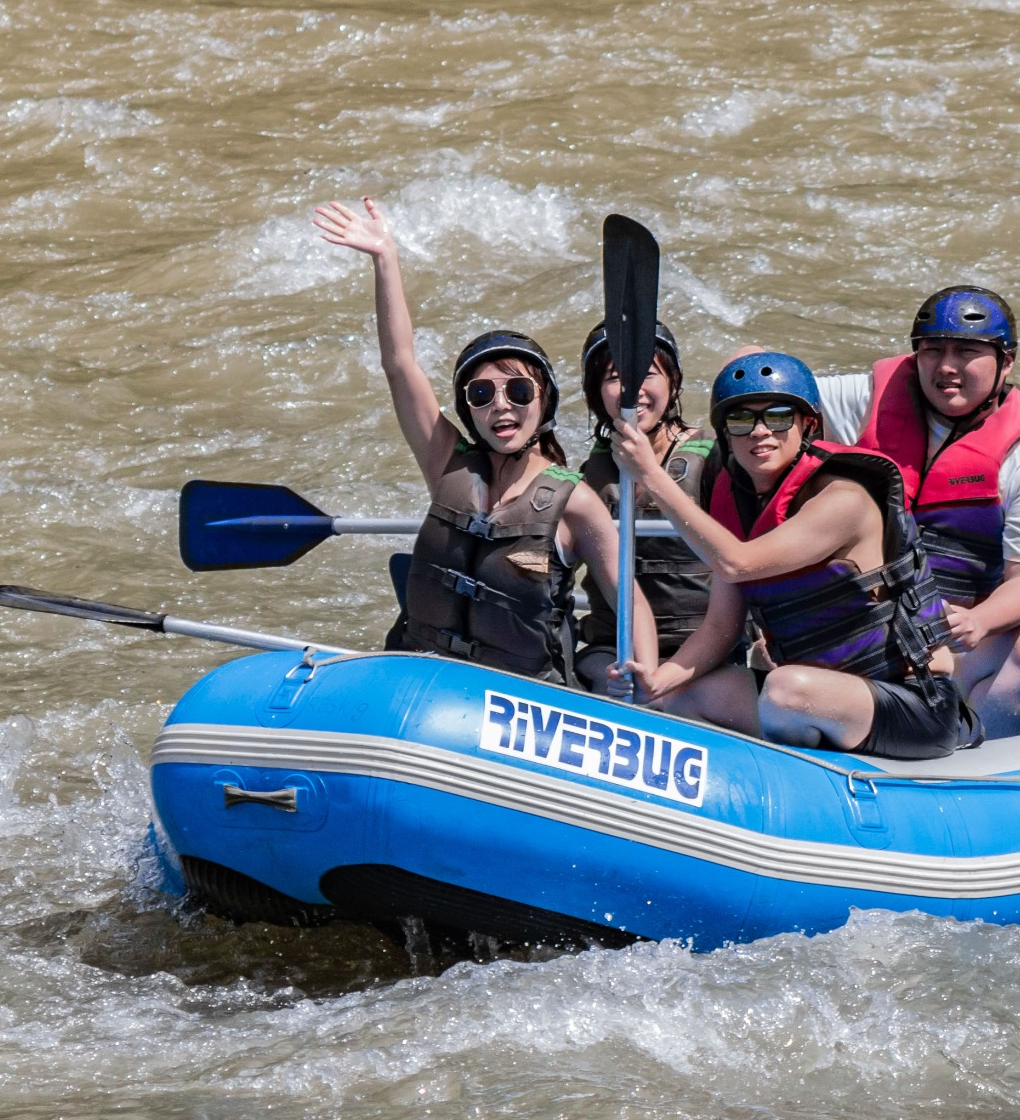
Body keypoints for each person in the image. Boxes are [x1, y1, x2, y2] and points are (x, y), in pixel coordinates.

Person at [312, 197, 647, 684]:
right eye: (481, 393)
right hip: (428, 679)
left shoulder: (574, 501)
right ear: (468, 407)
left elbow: (628, 599)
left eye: (517, 390)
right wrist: (386, 259)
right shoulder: (446, 461)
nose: (500, 405)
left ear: (544, 401)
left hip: (519, 701)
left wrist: (647, 675)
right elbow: (400, 363)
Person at [614, 352, 979, 760]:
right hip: (815, 694)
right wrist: (657, 684)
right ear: (725, 434)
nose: (759, 432)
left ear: (807, 425)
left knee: (785, 690)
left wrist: (652, 476)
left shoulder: (844, 498)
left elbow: (737, 563)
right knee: (689, 696)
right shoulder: (736, 502)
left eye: (778, 416)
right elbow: (720, 628)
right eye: (740, 420)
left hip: (912, 703)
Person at [765, 288, 1020, 736]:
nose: (946, 367)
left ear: (1007, 362)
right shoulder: (866, 399)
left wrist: (978, 621)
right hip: (852, 627)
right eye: (932, 351)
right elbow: (764, 382)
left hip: (949, 640)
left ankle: (979, 762)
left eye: (966, 352)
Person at [572, 318, 719, 691]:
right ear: (596, 393)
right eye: (613, 377)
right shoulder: (593, 472)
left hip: (700, 651)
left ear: (673, 382)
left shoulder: (714, 460)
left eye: (648, 374)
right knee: (610, 681)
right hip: (612, 647)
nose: (631, 390)